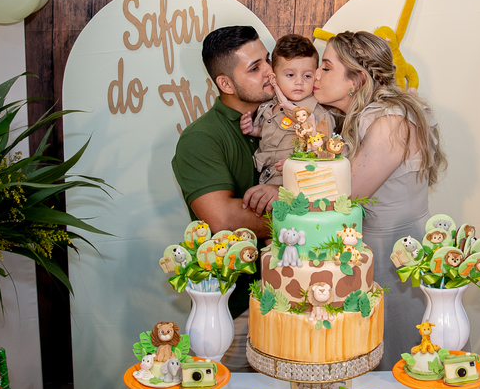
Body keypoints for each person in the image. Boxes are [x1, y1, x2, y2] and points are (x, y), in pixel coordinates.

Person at [313, 31, 446, 367]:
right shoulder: (366, 116)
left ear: (356, 80)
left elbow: (345, 197)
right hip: (376, 253)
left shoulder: (389, 122)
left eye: (326, 67)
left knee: (405, 360)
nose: (315, 75)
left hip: (397, 260)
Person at [172, 26, 281, 366]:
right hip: (235, 311)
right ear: (226, 84)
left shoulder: (288, 122)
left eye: (268, 60)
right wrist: (303, 219)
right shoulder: (201, 138)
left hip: (293, 296)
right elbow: (224, 219)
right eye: (255, 68)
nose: (270, 72)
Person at [240, 34, 336, 186]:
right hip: (265, 178)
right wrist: (253, 130)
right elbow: (269, 132)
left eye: (307, 76)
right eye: (290, 75)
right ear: (274, 78)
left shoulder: (319, 115)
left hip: (297, 182)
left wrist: (300, 162)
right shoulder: (268, 106)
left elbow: (325, 153)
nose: (299, 82)